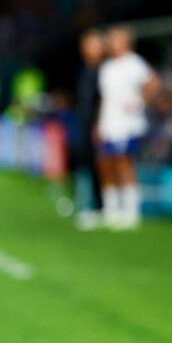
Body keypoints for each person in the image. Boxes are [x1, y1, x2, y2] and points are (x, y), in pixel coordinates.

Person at [96, 26, 160, 229]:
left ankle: (131, 211)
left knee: (124, 162)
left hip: (127, 125)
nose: (111, 42)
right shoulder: (107, 67)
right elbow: (106, 99)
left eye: (115, 38)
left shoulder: (134, 63)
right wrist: (99, 123)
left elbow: (153, 83)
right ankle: (111, 210)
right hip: (109, 123)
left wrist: (140, 102)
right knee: (106, 163)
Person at [73, 30, 105, 230]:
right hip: (83, 124)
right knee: (85, 164)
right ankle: (87, 204)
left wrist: (99, 123)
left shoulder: (105, 71)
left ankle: (100, 206)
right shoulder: (84, 71)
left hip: (99, 126)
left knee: (99, 166)